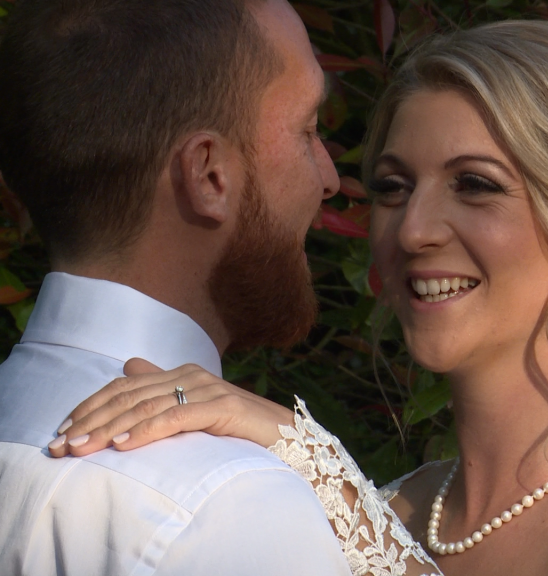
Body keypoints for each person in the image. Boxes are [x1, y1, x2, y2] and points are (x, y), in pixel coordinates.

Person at [54, 20, 548, 576]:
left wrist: (318, 465)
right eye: (395, 188)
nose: (413, 231)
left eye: (476, 185)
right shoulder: (387, 506)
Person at [0, 1, 438, 575]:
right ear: (210, 176)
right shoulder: (236, 504)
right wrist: (320, 465)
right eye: (308, 130)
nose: (330, 178)